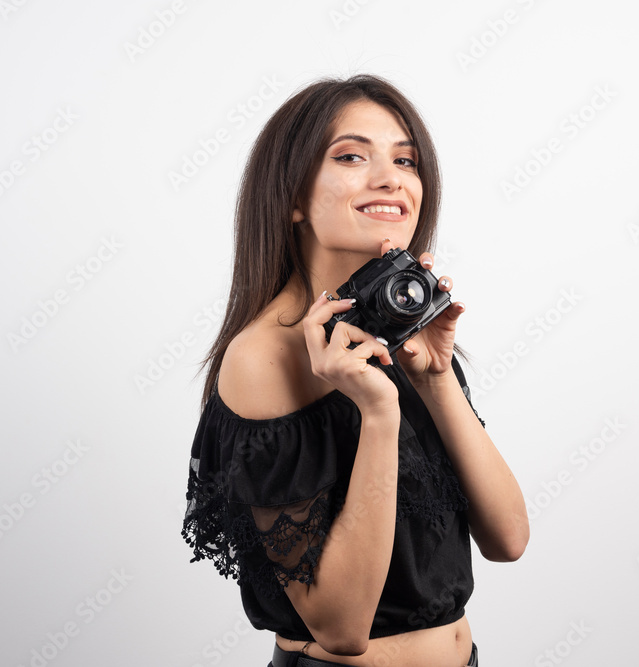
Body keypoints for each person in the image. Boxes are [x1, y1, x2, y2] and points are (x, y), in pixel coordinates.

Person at [181, 74, 529, 667]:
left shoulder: (403, 323)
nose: (391, 178)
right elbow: (341, 626)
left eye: (406, 160)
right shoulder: (263, 358)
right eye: (350, 156)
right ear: (292, 197)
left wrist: (437, 379)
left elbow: (508, 539)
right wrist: (377, 411)